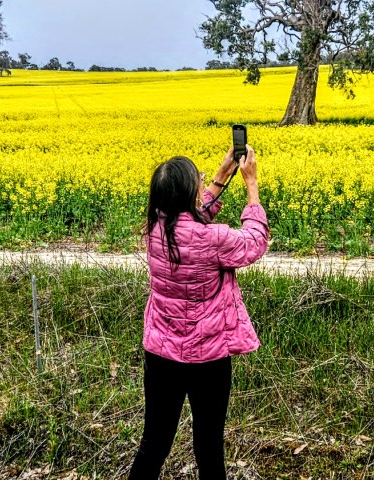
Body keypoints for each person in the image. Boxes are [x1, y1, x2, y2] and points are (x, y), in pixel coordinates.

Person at [128, 144, 269, 480]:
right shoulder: (214, 239)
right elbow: (255, 241)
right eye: (198, 180)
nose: (202, 180)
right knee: (208, 447)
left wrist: (222, 176)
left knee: (155, 442)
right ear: (188, 195)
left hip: (161, 355)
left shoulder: (155, 228)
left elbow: (191, 215)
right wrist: (251, 184)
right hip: (207, 359)